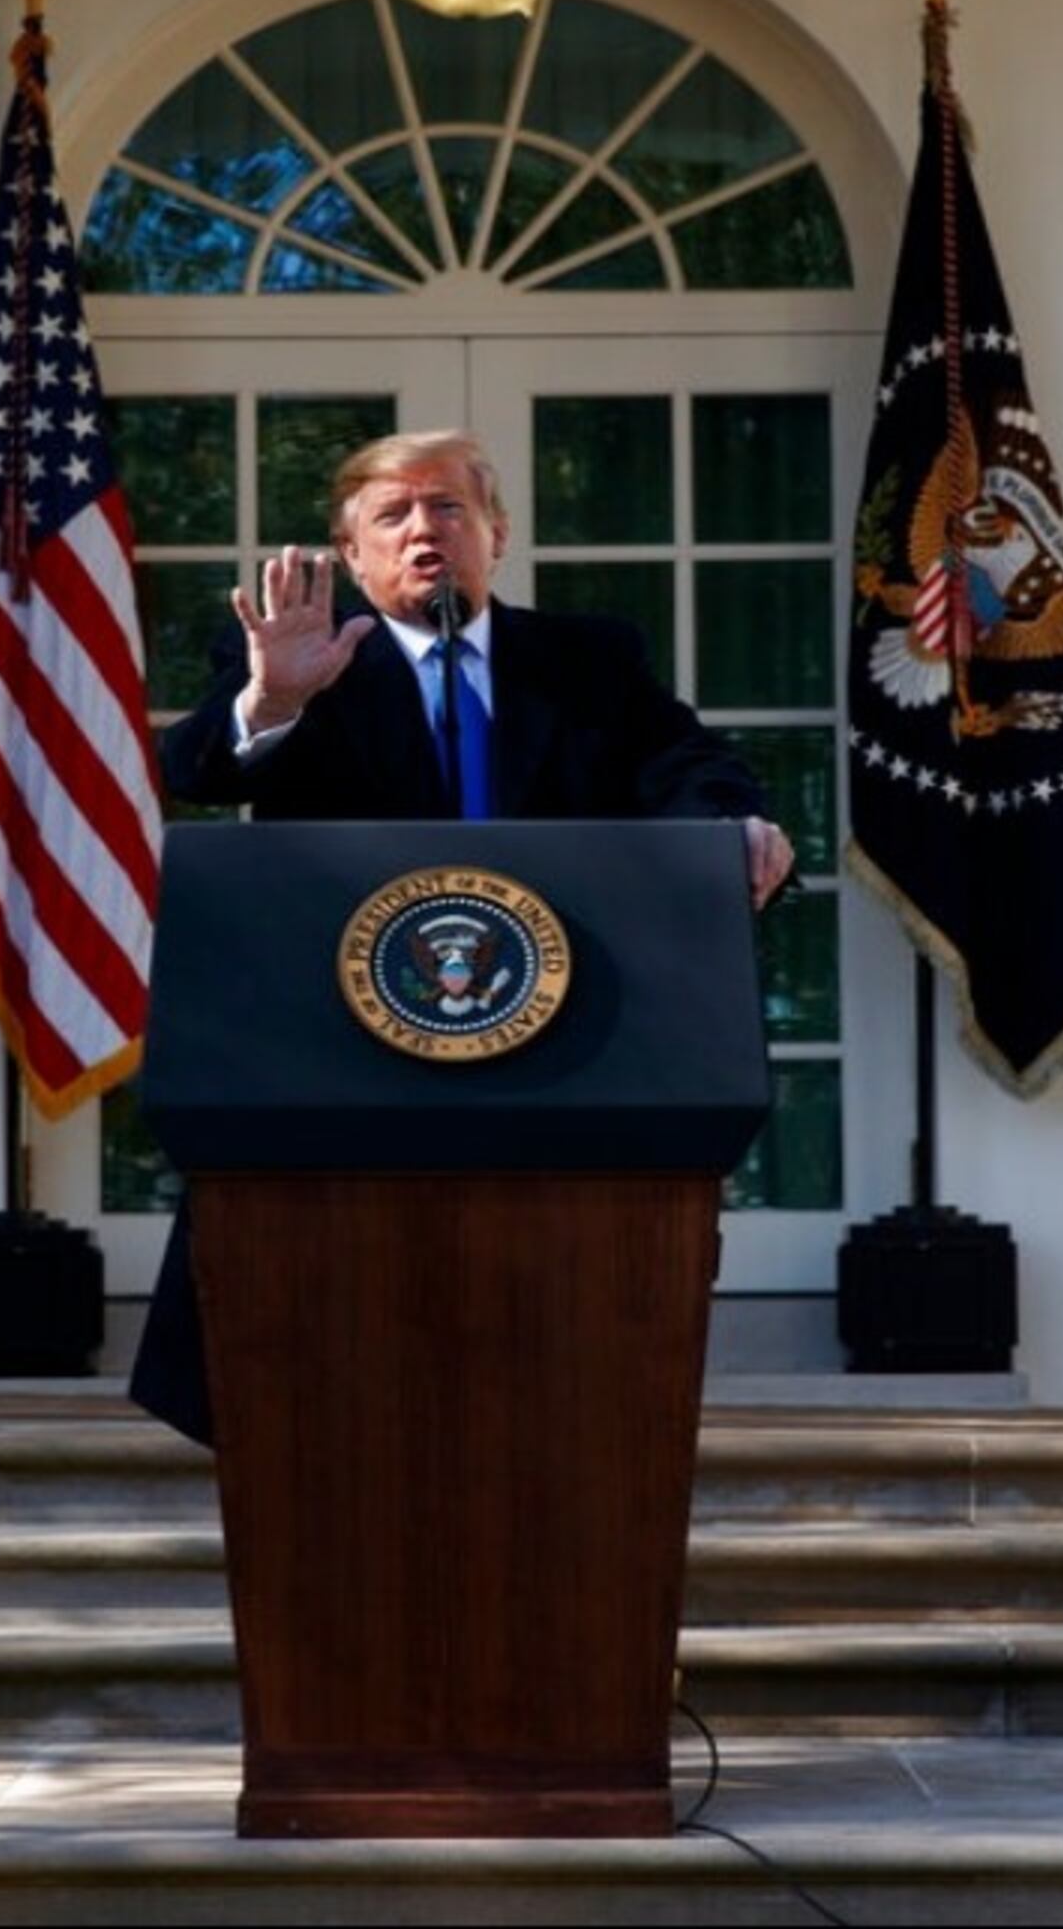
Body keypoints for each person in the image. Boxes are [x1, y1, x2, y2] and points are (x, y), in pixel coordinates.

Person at [128, 429, 793, 1445]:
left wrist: (731, 827)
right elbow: (203, 764)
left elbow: (688, 764)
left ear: (498, 534)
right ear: (353, 559)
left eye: (446, 508)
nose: (422, 532)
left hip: (552, 1058)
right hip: (340, 1062)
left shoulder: (587, 661)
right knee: (316, 1390)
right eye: (392, 516)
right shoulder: (309, 664)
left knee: (538, 1392)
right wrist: (275, 700)